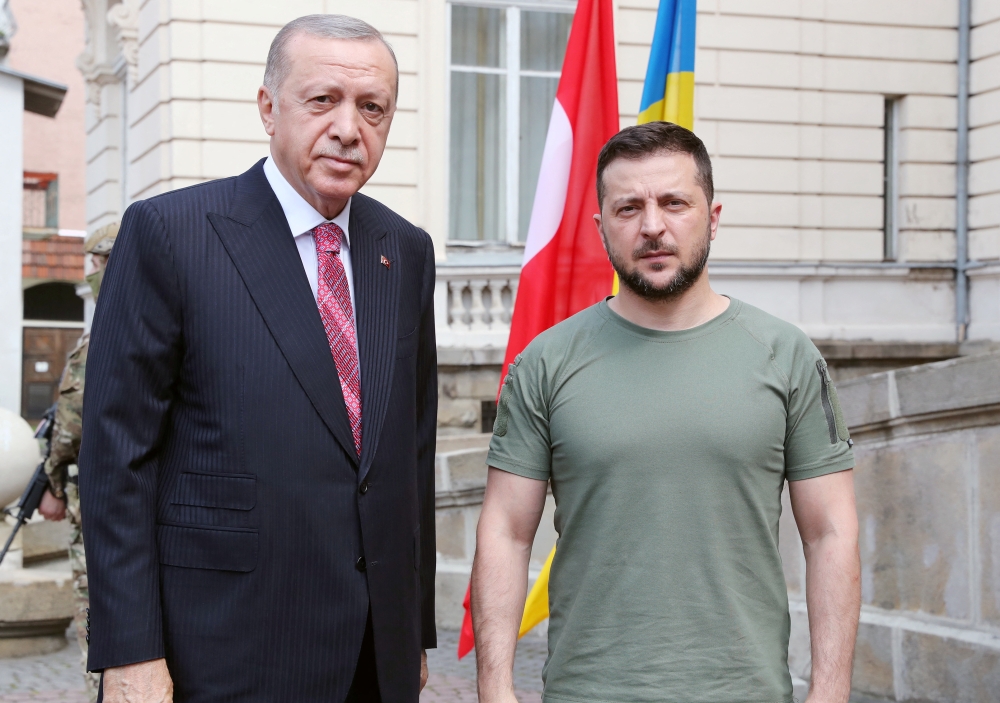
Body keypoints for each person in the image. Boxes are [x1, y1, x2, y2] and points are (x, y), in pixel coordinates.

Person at [79, 15, 437, 703]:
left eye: (372, 108)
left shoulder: (405, 249)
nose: (347, 127)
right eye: (322, 99)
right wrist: (129, 650)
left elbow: (408, 456)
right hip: (223, 653)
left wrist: (409, 628)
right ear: (269, 107)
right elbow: (115, 459)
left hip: (373, 655)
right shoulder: (170, 234)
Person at [472, 122, 861, 703]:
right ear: (602, 228)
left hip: (746, 690)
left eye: (674, 202)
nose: (652, 226)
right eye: (629, 208)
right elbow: (505, 530)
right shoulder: (545, 362)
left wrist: (830, 692)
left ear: (713, 215)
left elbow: (831, 532)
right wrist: (494, 688)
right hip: (588, 691)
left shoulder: (787, 356)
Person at [37, 222, 118, 703]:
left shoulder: (105, 332)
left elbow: (70, 427)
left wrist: (52, 481)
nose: (90, 275)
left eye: (94, 264)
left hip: (98, 506)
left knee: (96, 619)